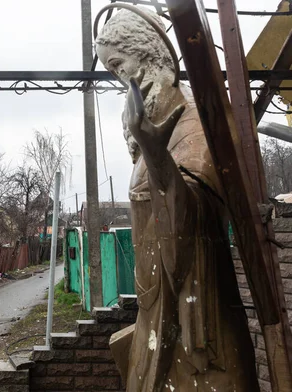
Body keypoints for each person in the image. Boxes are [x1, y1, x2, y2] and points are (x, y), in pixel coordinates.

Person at [96, 8, 259, 391]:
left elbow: (196, 220)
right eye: (112, 71)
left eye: (120, 64)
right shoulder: (156, 124)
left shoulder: (193, 120)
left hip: (200, 323)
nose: (122, 80)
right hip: (158, 313)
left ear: (150, 52)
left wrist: (157, 157)